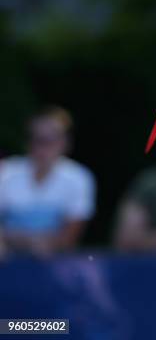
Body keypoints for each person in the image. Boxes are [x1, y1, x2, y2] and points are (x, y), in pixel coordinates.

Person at [0, 106, 96, 257]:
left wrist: (13, 238)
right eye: (37, 139)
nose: (42, 147)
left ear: (65, 142)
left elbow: (68, 238)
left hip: (56, 271)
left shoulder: (79, 178)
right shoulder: (6, 172)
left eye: (50, 139)